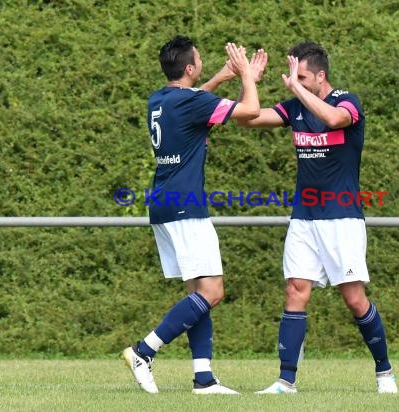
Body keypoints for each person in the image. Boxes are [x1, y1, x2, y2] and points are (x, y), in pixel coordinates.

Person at [236, 41, 398, 394]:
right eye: (293, 74)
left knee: (355, 299)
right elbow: (248, 119)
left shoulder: (347, 101)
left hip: (342, 218)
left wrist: (295, 89)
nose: (294, 80)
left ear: (320, 76)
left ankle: (384, 372)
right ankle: (285, 381)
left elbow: (334, 119)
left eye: (302, 75)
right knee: (295, 291)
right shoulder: (294, 106)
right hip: (304, 218)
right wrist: (249, 80)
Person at [122, 35, 265, 395]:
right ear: (189, 67)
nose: (201, 62)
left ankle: (203, 379)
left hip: (163, 205)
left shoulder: (160, 99)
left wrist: (221, 76)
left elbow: (195, 100)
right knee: (213, 292)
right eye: (199, 59)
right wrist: (247, 75)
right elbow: (249, 111)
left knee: (197, 293)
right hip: (187, 206)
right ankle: (144, 350)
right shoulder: (190, 103)